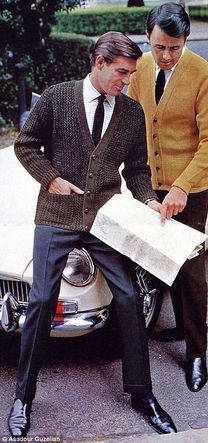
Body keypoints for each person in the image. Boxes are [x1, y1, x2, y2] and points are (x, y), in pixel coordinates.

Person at [8, 32, 177, 437]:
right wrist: (51, 180)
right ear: (98, 63)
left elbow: (137, 169)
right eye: (121, 72)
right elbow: (25, 146)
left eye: (132, 74)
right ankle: (22, 398)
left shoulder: (132, 113)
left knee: (130, 296)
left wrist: (149, 200)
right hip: (56, 215)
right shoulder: (57, 97)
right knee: (44, 298)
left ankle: (142, 395)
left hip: (104, 219)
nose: (127, 80)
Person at [127, 3, 208, 393]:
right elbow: (130, 118)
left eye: (175, 47)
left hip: (191, 188)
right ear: (148, 37)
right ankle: (178, 325)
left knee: (191, 270)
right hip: (150, 183)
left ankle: (196, 353)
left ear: (185, 41)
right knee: (154, 261)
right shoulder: (140, 68)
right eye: (160, 46)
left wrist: (182, 186)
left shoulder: (202, 73)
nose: (166, 55)